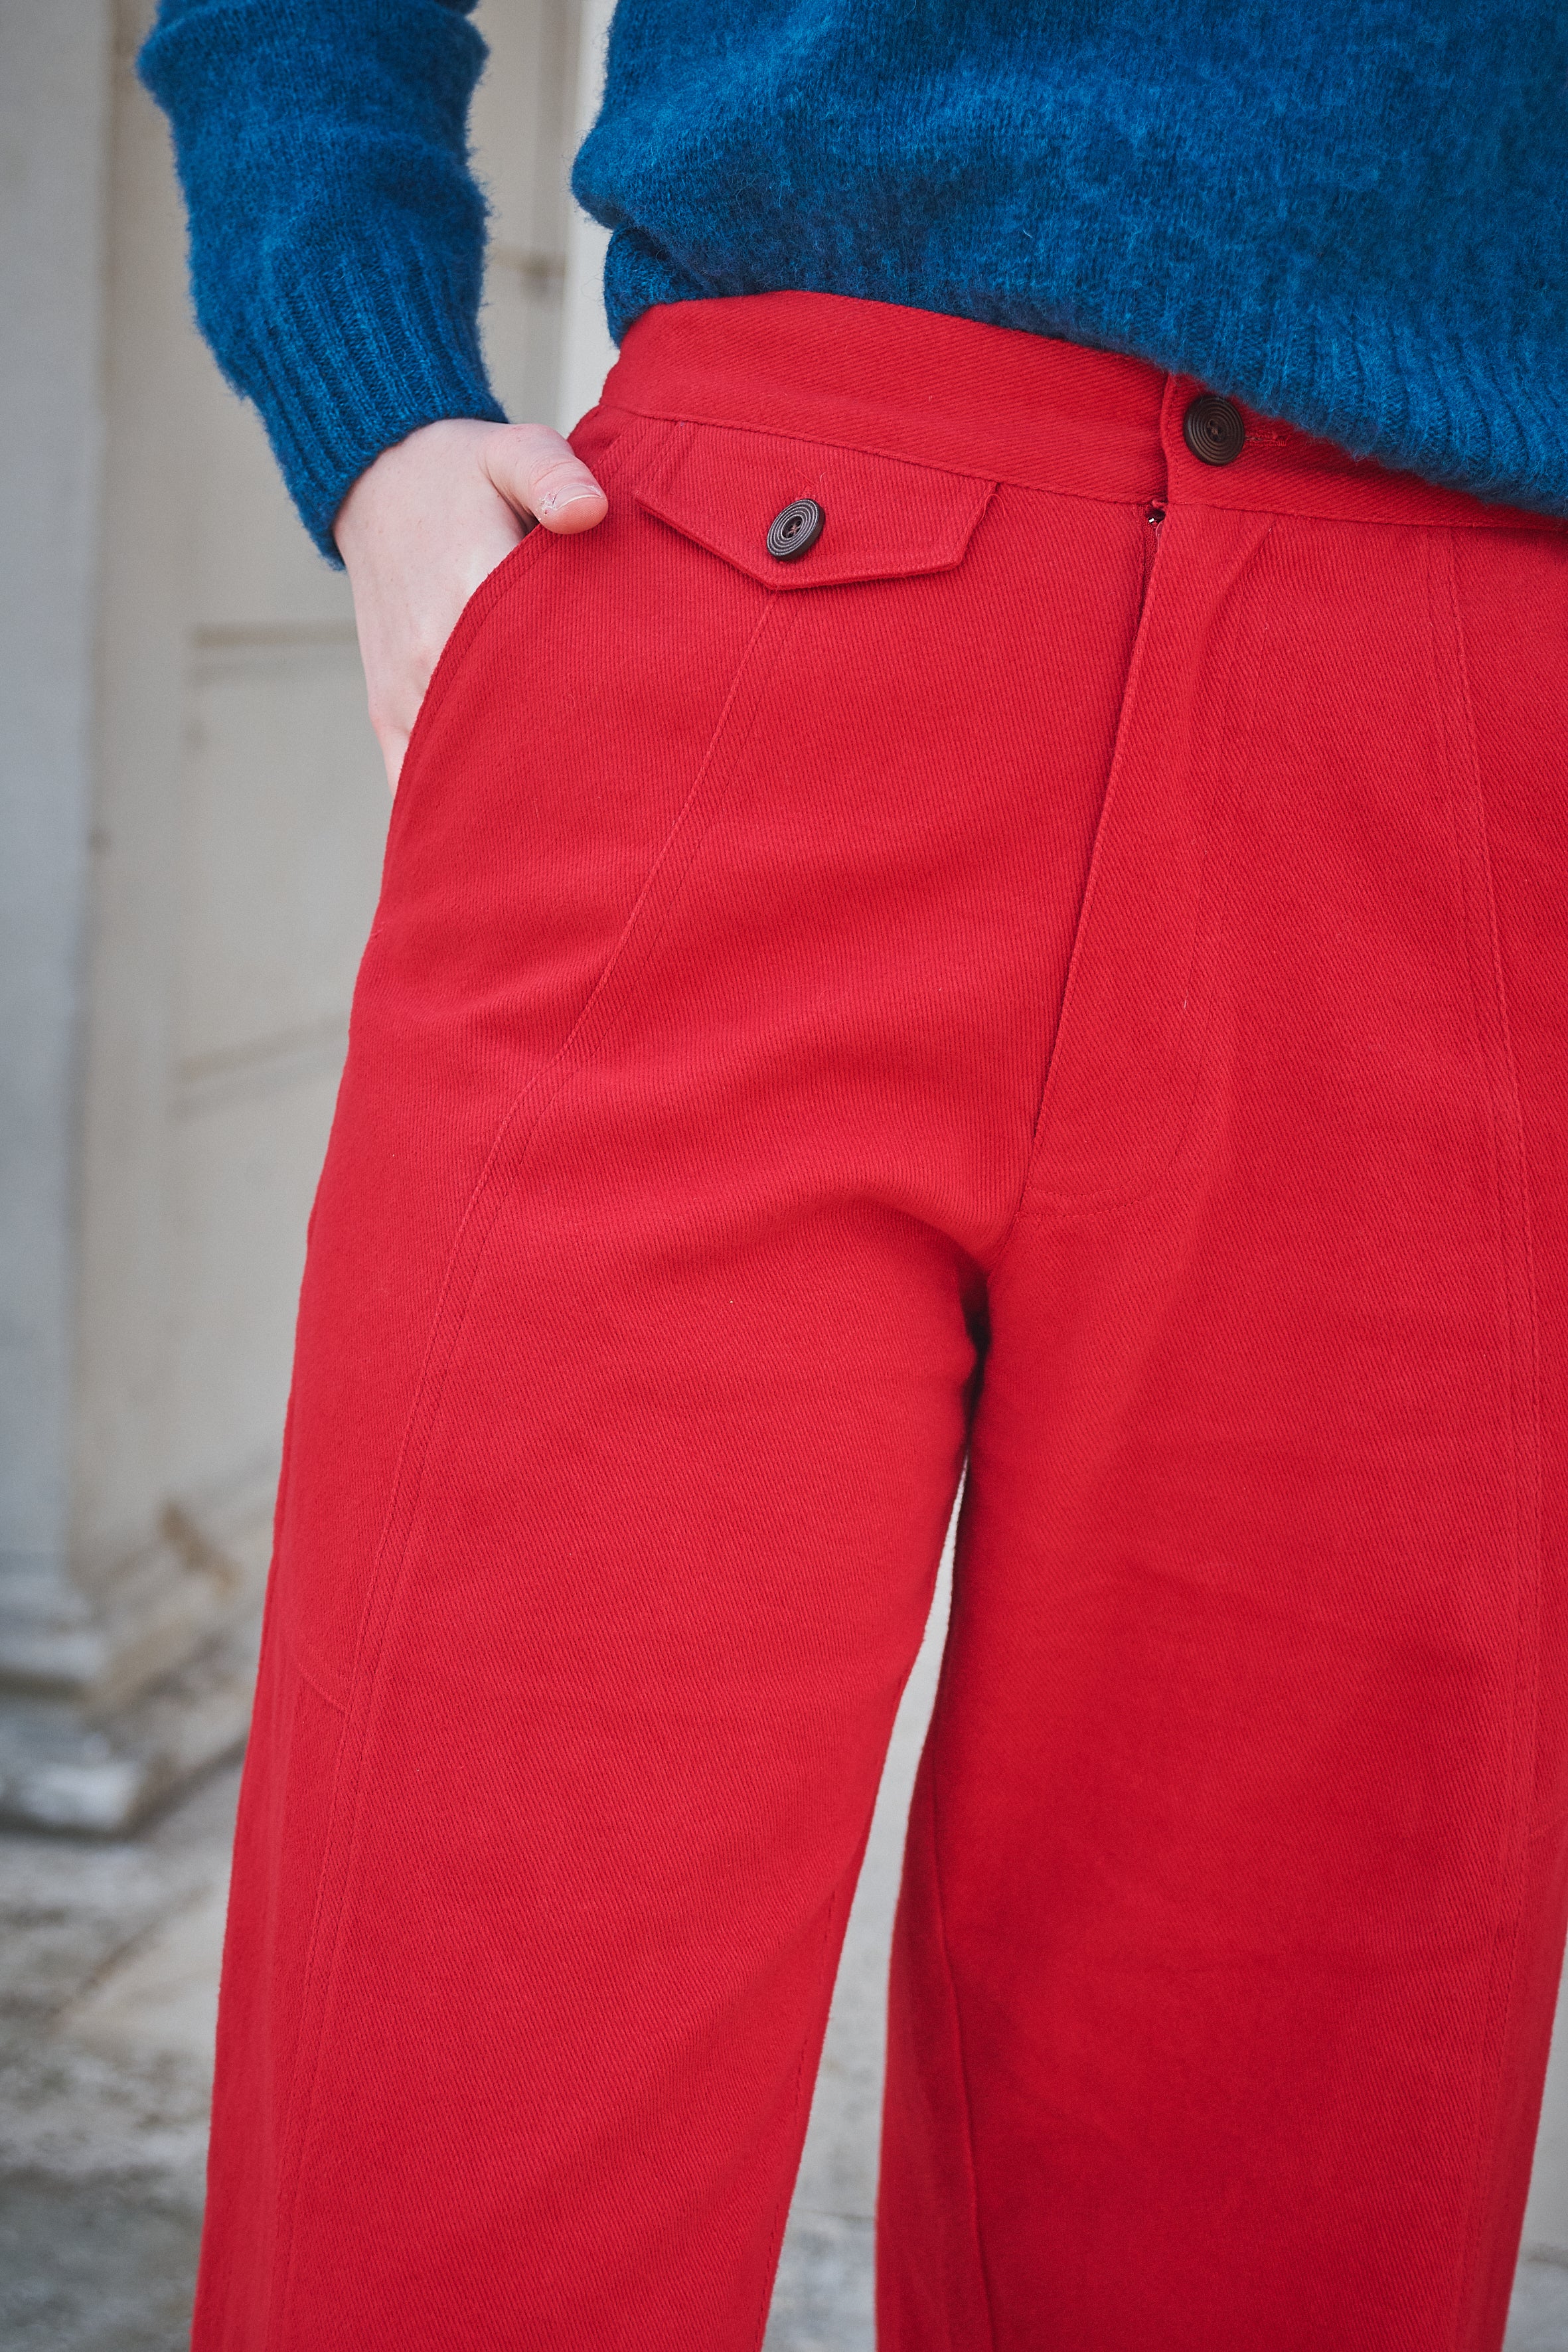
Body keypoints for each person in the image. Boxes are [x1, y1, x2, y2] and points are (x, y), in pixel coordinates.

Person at [139, 5, 1568, 2346]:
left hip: (1459, 743)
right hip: (745, 611)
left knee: (1280, 2151)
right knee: (458, 2089)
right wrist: (377, 411)